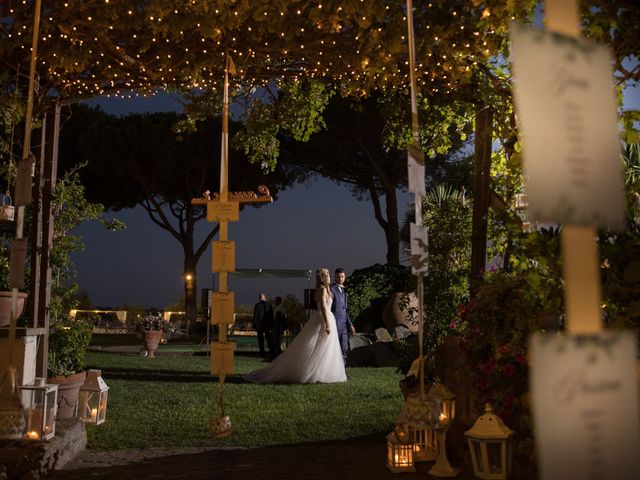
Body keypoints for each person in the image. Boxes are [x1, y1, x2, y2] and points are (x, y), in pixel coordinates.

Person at [244, 269, 347, 384]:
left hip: (327, 317)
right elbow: (323, 307)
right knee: (318, 345)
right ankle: (314, 372)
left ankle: (323, 371)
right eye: (326, 274)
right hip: (323, 319)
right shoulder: (322, 289)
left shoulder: (327, 289)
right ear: (323, 277)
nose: (329, 276)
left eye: (328, 274)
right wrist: (327, 323)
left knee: (324, 346)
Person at [330, 267, 355, 365]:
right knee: (334, 349)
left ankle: (342, 373)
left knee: (344, 348)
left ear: (345, 277)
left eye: (342, 277)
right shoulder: (332, 288)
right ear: (335, 277)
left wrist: (350, 324)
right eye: (339, 277)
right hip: (335, 324)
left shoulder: (344, 291)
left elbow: (344, 310)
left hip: (344, 326)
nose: (340, 279)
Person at [253, 293, 275, 358]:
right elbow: (271, 316)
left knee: (261, 340)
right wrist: (272, 325)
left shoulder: (257, 305)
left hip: (260, 326)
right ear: (265, 298)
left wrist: (255, 325)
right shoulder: (269, 305)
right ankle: (272, 352)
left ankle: (263, 353)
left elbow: (255, 316)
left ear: (260, 298)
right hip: (267, 325)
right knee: (269, 339)